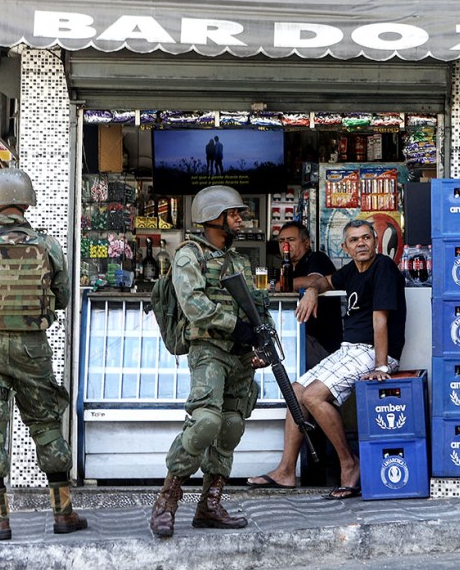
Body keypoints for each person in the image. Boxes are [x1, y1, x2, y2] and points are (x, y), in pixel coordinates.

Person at [0, 168, 88, 540]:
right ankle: (63, 513)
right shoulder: (47, 245)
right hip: (32, 348)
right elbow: (62, 296)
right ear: (26, 202)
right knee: (45, 426)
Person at [247, 219, 406, 499]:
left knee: (313, 397)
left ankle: (349, 464)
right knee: (295, 392)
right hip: (350, 349)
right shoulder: (352, 271)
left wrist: (382, 366)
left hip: (372, 350)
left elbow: (380, 320)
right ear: (345, 247)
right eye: (354, 240)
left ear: (375, 241)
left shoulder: (383, 267)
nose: (361, 244)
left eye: (366, 238)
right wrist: (311, 291)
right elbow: (323, 280)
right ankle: (286, 471)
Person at [149, 185, 271, 538]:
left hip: (240, 357)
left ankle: (209, 505)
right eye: (233, 214)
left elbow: (257, 307)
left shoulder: (240, 261)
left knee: (231, 425)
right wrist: (237, 328)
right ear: (212, 217)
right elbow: (194, 307)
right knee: (205, 422)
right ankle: (167, 500)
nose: (240, 219)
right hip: (210, 351)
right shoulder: (189, 256)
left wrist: (263, 341)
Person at [277, 221, 343, 368]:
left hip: (321, 345)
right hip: (299, 338)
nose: (285, 245)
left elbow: (315, 280)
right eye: (281, 241)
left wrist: (276, 286)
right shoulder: (286, 268)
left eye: (291, 240)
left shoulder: (316, 258)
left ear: (306, 243)